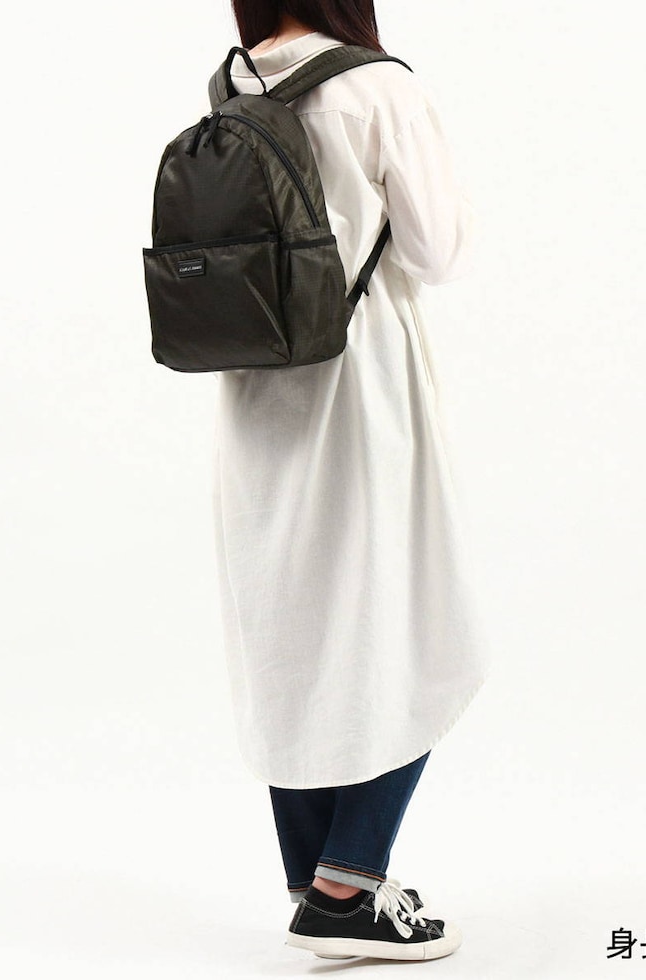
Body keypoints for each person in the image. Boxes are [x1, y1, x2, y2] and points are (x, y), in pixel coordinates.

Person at [210, 0, 493, 961]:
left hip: (253, 386)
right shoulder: (377, 86)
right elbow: (437, 252)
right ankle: (347, 888)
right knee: (412, 620)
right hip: (360, 383)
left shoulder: (234, 83)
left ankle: (314, 877)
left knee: (290, 625)